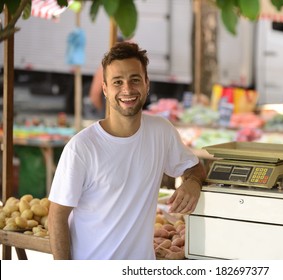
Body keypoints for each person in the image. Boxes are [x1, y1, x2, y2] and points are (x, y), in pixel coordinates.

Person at [47, 42, 206, 260]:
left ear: (147, 84)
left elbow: (195, 168)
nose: (127, 90)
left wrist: (193, 182)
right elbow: (57, 216)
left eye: (135, 80)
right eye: (117, 82)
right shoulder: (81, 148)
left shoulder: (161, 132)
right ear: (105, 88)